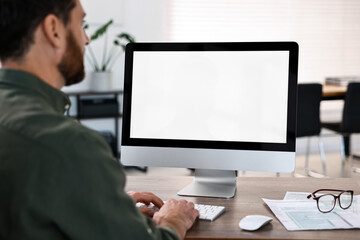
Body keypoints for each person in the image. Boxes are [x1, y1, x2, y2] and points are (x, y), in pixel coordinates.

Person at [0, 0, 199, 239]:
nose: (86, 39)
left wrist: (97, 200)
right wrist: (173, 219)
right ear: (54, 29)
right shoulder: (69, 144)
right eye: (81, 24)